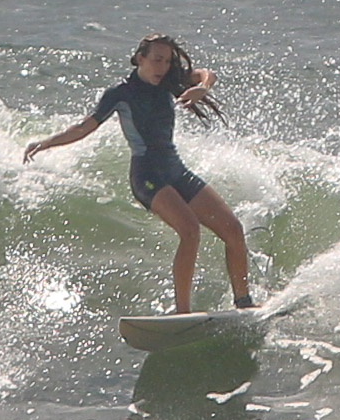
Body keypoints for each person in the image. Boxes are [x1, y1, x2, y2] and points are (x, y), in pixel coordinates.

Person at [23, 34, 255, 314]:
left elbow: (207, 74)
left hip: (175, 171)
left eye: (167, 61)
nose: (163, 66)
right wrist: (48, 142)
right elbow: (85, 127)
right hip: (147, 176)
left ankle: (244, 303)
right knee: (190, 231)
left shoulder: (170, 82)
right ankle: (183, 312)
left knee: (233, 229)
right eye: (157, 59)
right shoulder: (120, 94)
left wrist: (202, 88)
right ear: (139, 59)